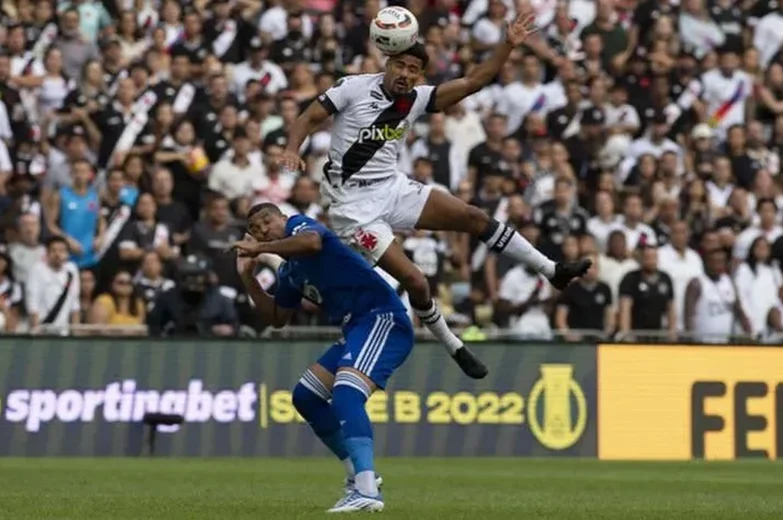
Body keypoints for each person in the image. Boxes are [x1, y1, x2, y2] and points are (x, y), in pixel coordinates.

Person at [279, 13, 591, 379]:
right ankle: (454, 346)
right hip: (353, 209)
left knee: (473, 217)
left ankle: (550, 270)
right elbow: (307, 117)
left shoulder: (416, 99)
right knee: (416, 281)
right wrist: (290, 148)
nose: (406, 74)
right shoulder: (353, 88)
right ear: (388, 61)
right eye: (401, 65)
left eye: (414, 69)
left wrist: (508, 44)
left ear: (420, 76)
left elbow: (475, 80)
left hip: (392, 188)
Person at [230, 203, 414, 513]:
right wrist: (247, 277)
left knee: (346, 395)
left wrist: (260, 248)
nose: (262, 228)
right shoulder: (290, 272)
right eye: (255, 227)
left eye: (266, 221)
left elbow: (312, 242)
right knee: (306, 396)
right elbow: (276, 317)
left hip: (382, 317)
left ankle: (367, 491)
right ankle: (357, 476)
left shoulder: (302, 227)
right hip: (356, 326)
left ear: (283, 218)